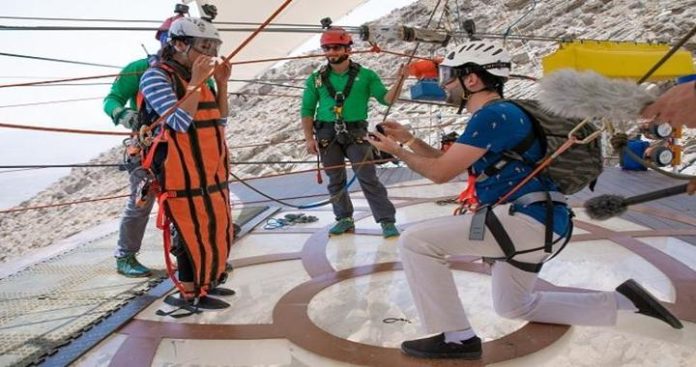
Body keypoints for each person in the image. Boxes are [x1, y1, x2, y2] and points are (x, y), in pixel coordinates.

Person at [368, 40, 683, 360]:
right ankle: (626, 303)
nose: (443, 84)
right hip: (542, 221)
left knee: (416, 241)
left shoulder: (493, 117)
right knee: (514, 305)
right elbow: (448, 164)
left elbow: (439, 173)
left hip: (528, 221)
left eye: (449, 76)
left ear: (471, 79)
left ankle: (457, 338)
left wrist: (396, 152)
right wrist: (409, 141)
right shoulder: (503, 114)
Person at [140, 17, 233, 308]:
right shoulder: (156, 77)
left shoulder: (201, 76)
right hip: (178, 169)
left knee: (214, 224)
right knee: (187, 225)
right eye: (204, 46)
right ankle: (190, 291)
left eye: (213, 46)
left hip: (208, 164)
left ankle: (207, 283)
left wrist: (221, 83)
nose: (209, 53)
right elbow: (179, 122)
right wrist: (196, 81)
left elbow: (220, 119)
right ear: (179, 44)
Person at [103, 11, 186, 277]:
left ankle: (185, 251)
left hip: (180, 147)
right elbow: (112, 99)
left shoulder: (192, 71)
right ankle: (125, 256)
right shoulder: (140, 68)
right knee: (141, 201)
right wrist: (124, 115)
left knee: (183, 200)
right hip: (147, 149)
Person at [301, 26, 403, 238]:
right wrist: (308, 138)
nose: (331, 52)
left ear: (348, 49)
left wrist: (400, 80)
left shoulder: (366, 76)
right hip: (326, 133)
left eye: (336, 47)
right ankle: (344, 219)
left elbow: (387, 99)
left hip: (356, 131)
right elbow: (308, 110)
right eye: (327, 48)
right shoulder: (316, 79)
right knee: (335, 178)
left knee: (367, 176)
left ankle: (386, 221)